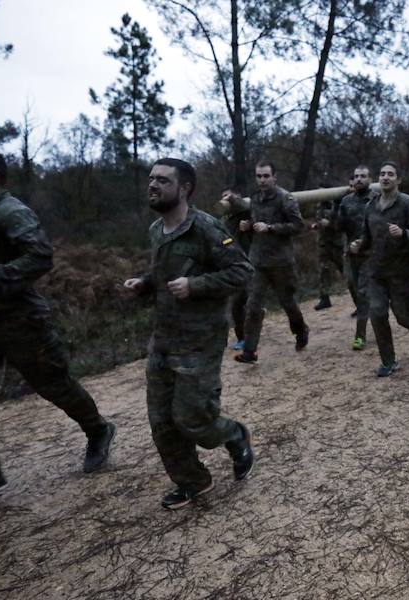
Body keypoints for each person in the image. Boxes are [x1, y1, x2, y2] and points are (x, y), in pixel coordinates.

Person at [0, 146, 116, 511]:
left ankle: (98, 429)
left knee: (53, 384)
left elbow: (40, 257)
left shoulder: (10, 211)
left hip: (19, 321)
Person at [124, 158, 254, 510]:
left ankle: (234, 434)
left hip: (200, 340)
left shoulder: (207, 229)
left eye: (163, 181)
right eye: (151, 179)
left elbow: (243, 272)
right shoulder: (156, 230)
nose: (153, 185)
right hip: (163, 338)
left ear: (184, 189)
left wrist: (196, 285)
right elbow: (162, 272)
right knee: (162, 422)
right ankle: (193, 481)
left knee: (193, 418)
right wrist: (145, 283)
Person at [349, 161, 409, 376]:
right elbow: (367, 237)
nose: (385, 177)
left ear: (398, 179)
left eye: (391, 174)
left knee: (404, 317)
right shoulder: (371, 205)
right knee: (377, 314)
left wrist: (404, 233)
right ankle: (388, 361)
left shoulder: (408, 203)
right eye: (382, 173)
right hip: (376, 271)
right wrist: (359, 244)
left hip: (400, 272)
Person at [235, 161, 309, 363]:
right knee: (253, 306)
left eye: (266, 176)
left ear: (274, 177)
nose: (262, 180)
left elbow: (297, 225)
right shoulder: (256, 199)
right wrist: (247, 226)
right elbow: (255, 220)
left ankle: (301, 331)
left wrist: (271, 228)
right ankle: (250, 351)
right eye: (259, 176)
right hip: (258, 260)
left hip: (281, 261)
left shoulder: (286, 198)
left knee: (288, 303)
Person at [332, 166, 374, 350]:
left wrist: (364, 242)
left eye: (363, 176)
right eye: (356, 176)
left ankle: (360, 336)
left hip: (370, 254)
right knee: (352, 285)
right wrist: (336, 205)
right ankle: (370, 311)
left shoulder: (376, 199)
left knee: (363, 293)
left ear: (369, 179)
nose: (359, 179)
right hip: (351, 254)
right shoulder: (346, 201)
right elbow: (338, 227)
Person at [219, 188, 253, 352]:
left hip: (244, 262)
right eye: (223, 197)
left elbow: (244, 207)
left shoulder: (243, 213)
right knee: (236, 304)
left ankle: (245, 337)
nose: (225, 200)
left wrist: (233, 197)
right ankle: (241, 337)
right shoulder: (224, 219)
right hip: (228, 265)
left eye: (228, 197)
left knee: (239, 303)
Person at [312, 190, 345, 311]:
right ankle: (324, 299)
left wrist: (330, 224)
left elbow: (342, 225)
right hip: (323, 244)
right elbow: (319, 220)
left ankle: (360, 298)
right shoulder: (319, 206)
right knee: (323, 271)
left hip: (336, 245)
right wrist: (317, 225)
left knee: (346, 270)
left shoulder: (338, 205)